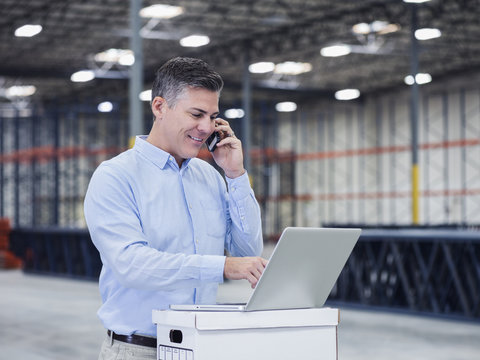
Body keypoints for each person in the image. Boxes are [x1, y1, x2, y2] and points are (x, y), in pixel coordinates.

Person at [84, 56, 267, 360]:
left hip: (202, 346)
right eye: (196, 114)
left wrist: (236, 175)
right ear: (159, 107)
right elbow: (133, 266)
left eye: (213, 116)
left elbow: (247, 250)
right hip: (138, 350)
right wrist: (221, 266)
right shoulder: (115, 176)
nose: (206, 127)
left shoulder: (210, 177)